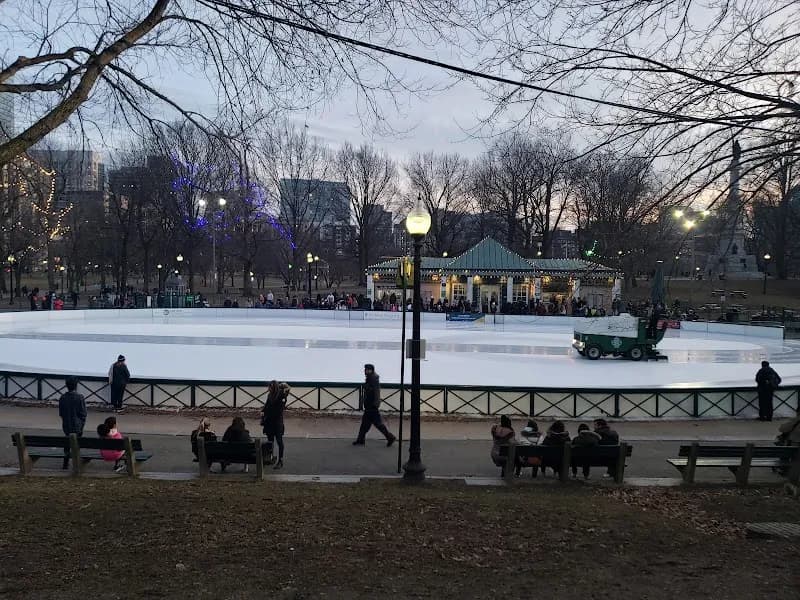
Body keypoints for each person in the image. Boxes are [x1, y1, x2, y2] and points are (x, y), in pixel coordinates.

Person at [353, 364, 396, 447]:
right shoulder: (370, 378)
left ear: (371, 370)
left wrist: (375, 404)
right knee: (365, 424)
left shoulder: (373, 379)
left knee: (377, 424)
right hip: (369, 405)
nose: (365, 371)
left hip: (372, 406)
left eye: (367, 369)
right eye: (365, 369)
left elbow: (376, 392)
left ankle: (390, 437)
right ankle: (360, 440)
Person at [58, 376, 87, 470]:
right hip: (77, 426)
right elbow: (83, 414)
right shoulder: (80, 397)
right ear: (76, 385)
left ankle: (65, 463)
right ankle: (76, 462)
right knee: (76, 444)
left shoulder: (62, 398)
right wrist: (81, 424)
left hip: (67, 426)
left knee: (67, 443)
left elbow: (61, 413)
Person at [262, 381, 291, 469]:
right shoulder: (270, 396)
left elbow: (279, 410)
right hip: (270, 422)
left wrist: (267, 413)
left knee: (279, 441)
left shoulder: (282, 396)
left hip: (277, 423)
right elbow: (266, 406)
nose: (268, 389)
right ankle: (270, 458)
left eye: (270, 387)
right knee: (270, 441)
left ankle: (280, 460)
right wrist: (263, 412)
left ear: (274, 388)